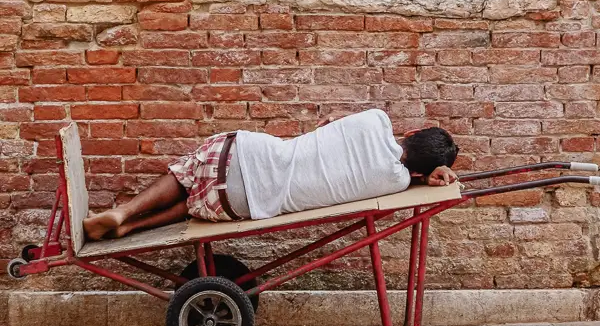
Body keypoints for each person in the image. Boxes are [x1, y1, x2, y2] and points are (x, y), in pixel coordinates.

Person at [83, 109, 459, 241]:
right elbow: (405, 176)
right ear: (422, 172)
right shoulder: (395, 182)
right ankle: (129, 228)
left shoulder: (377, 119)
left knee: (189, 171)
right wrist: (430, 175)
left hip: (244, 152)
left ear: (411, 133)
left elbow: (330, 122)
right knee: (200, 204)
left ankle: (126, 212)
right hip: (243, 205)